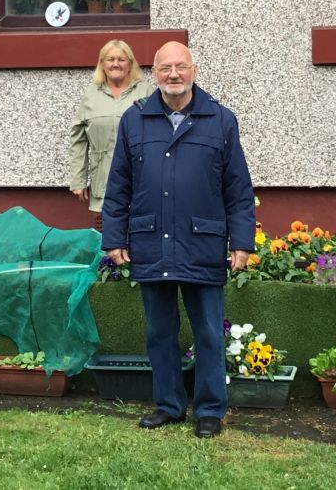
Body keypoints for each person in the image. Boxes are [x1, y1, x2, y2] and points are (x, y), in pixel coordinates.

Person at [102, 41, 254, 438]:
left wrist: (241, 241)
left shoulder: (220, 119)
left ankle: (209, 410)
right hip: (151, 240)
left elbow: (237, 187)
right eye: (165, 68)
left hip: (202, 241)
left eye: (180, 67)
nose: (173, 74)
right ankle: (168, 406)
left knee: (207, 332)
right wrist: (114, 237)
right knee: (159, 332)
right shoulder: (133, 121)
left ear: (194, 70)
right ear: (154, 73)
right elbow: (119, 185)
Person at [69, 40, 155, 223]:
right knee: (109, 234)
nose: (116, 64)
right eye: (110, 59)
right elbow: (79, 139)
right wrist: (78, 179)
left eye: (122, 59)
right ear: (102, 64)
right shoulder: (91, 94)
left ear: (130, 64)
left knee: (141, 230)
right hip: (103, 177)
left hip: (141, 177)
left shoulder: (146, 92)